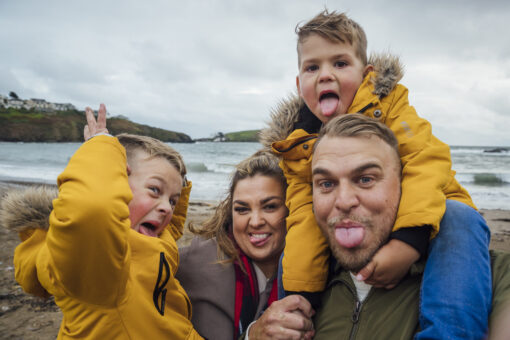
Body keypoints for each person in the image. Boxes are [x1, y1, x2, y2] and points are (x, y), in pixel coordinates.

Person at [259, 9, 491, 338]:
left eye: (340, 63)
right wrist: (301, 294)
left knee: (459, 218)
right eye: (313, 67)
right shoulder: (299, 146)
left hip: (433, 210)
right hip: (357, 230)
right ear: (299, 84)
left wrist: (408, 241)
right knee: (294, 247)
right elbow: (304, 217)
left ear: (366, 73)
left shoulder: (390, 105)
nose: (325, 75)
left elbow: (426, 161)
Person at [3, 104, 203, 339]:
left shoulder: (152, 240)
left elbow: (172, 229)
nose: (166, 208)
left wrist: (179, 185)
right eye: (154, 189)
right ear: (116, 184)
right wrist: (101, 147)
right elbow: (93, 209)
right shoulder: (100, 261)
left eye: (172, 200)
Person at [308, 114, 510, 339]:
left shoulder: (493, 276)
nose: (344, 201)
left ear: (405, 184)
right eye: (326, 184)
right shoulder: (300, 278)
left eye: (366, 179)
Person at [176, 150, 314, 340]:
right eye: (242, 209)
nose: (255, 221)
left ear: (292, 208)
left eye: (270, 206)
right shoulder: (195, 263)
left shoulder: (317, 267)